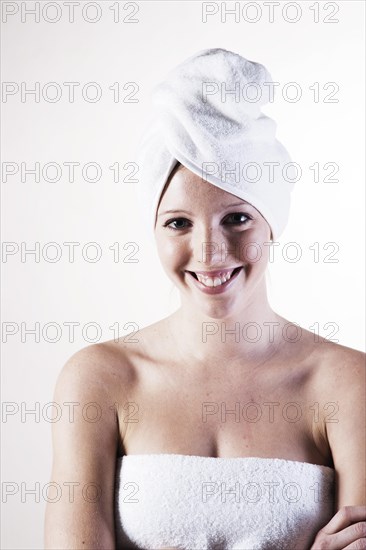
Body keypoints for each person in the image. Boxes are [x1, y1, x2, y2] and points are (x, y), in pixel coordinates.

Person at [44, 49, 365, 549]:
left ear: (273, 221)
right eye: (178, 223)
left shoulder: (347, 382)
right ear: (153, 230)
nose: (210, 251)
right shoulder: (99, 378)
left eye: (237, 218)